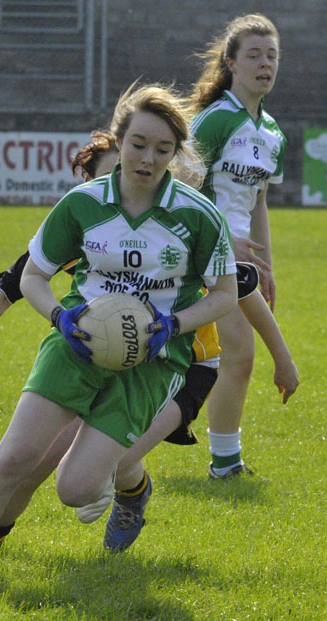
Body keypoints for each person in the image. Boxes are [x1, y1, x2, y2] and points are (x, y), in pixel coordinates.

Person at [0, 81, 239, 580]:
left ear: (176, 153)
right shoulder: (82, 204)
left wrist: (171, 324)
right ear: (119, 138)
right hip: (76, 343)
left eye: (162, 149)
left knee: (74, 489)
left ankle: (120, 484)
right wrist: (60, 318)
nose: (148, 158)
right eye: (138, 144)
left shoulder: (198, 216)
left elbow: (225, 295)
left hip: (150, 361)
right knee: (16, 453)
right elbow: (33, 276)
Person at [0, 130, 298, 554]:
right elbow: (11, 283)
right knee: (38, 456)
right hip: (105, 357)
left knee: (106, 460)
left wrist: (282, 361)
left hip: (182, 364)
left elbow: (241, 289)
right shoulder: (85, 226)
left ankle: (132, 494)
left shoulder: (180, 227)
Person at [188, 14, 288, 477]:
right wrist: (225, 239)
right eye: (254, 55)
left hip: (239, 263)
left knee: (228, 357)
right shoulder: (215, 121)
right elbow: (184, 192)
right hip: (201, 254)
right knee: (240, 355)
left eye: (272, 55)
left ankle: (222, 459)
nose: (265, 64)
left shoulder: (272, 134)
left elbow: (259, 202)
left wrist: (267, 267)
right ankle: (225, 464)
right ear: (231, 63)